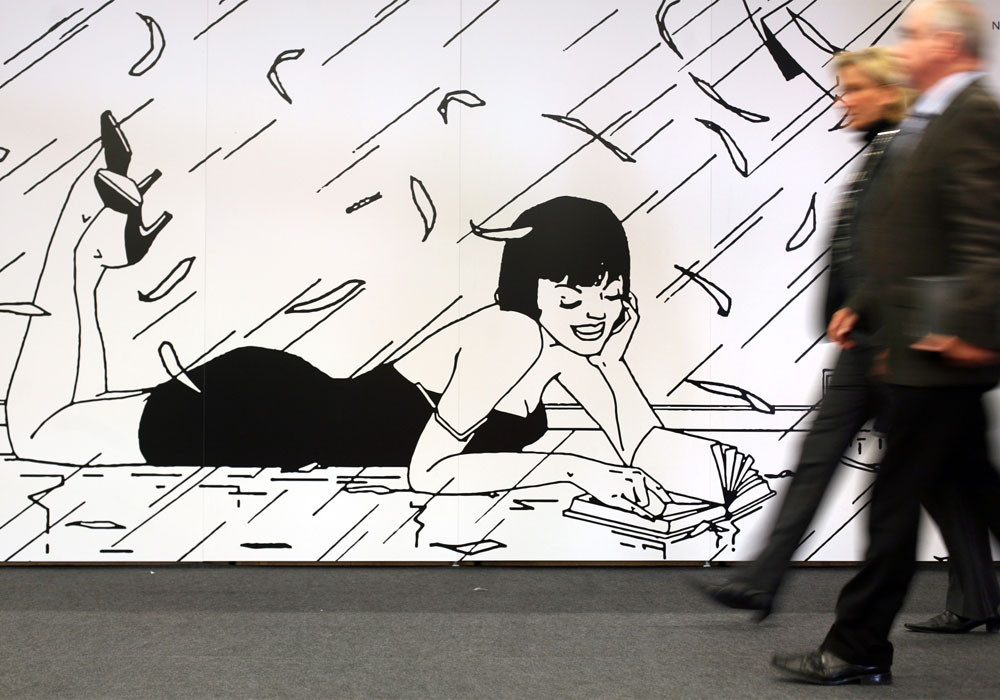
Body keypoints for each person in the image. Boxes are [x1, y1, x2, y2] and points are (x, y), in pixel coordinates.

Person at [5, 113, 750, 522]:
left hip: (285, 407)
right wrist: (575, 473)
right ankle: (78, 235)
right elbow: (430, 474)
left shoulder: (569, 351)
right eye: (572, 290)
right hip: (262, 413)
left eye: (607, 290)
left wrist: (723, 471)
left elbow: (641, 439)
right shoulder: (512, 334)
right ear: (532, 285)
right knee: (39, 433)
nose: (594, 311)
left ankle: (90, 253)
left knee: (75, 415)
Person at [705, 46, 1000, 632]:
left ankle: (955, 606)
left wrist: (889, 323)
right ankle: (761, 581)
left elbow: (920, 251)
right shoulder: (883, 150)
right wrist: (855, 308)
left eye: (856, 89)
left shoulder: (913, 151)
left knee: (944, 478)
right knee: (835, 459)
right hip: (866, 338)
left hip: (899, 346)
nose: (844, 100)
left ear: (891, 92)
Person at [773, 0, 1000, 685]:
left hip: (940, 351)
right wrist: (864, 306)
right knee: (975, 493)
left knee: (894, 507)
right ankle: (861, 645)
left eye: (913, 35)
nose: (901, 48)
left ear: (949, 45)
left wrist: (970, 332)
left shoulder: (974, 116)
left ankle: (857, 646)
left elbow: (986, 236)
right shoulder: (929, 118)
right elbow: (903, 236)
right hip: (914, 343)